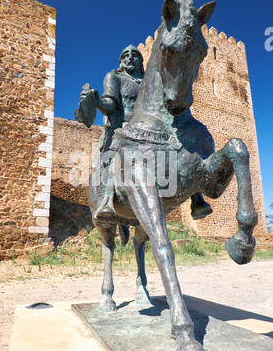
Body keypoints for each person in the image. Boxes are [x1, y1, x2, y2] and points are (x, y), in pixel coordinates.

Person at [76, 45, 212, 222]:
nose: (130, 58)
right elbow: (110, 103)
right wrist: (97, 102)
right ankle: (107, 200)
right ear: (121, 61)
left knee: (182, 142)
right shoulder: (114, 77)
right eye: (125, 55)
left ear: (141, 60)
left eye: (135, 55)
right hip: (122, 125)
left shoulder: (152, 81)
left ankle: (196, 197)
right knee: (112, 151)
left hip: (151, 125)